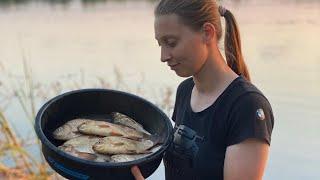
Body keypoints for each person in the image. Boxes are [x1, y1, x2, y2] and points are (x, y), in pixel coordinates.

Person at [131, 0, 274, 179]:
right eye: (161, 44)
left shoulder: (247, 106)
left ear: (207, 33)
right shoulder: (185, 91)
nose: (163, 56)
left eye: (171, 42)